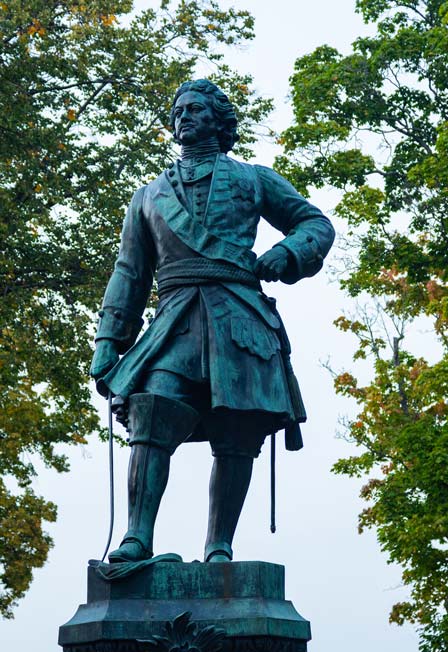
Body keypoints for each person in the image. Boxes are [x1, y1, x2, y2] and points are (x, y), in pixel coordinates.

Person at [90, 79, 335, 564]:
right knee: (153, 410)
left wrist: (287, 252)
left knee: (237, 431)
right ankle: (137, 537)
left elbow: (315, 223)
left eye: (195, 109)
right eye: (178, 111)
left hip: (239, 320)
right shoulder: (148, 196)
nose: (183, 116)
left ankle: (219, 545)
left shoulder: (254, 179)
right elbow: (130, 273)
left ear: (218, 121)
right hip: (174, 323)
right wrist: (107, 342)